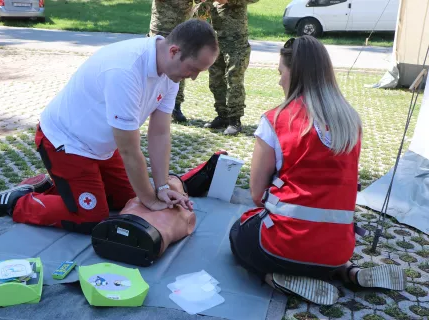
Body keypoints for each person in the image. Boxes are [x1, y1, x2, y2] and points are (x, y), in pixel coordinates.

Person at [0, 19, 219, 234]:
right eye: (194, 69)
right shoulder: (125, 70)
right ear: (174, 51)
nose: (194, 77)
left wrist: (162, 186)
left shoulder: (170, 71)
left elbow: (160, 132)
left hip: (102, 147)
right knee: (92, 217)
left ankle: (55, 186)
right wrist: (150, 198)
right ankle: (18, 202)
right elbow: (129, 150)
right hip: (65, 143)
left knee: (128, 200)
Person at [229, 36, 407, 305]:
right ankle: (348, 270)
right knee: (321, 242)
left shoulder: (276, 119)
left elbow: (256, 194)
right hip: (337, 248)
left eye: (281, 73)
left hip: (282, 247)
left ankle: (273, 277)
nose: (279, 81)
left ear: (295, 74)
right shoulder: (351, 122)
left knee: (237, 236)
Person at [204, 0, 258, 135]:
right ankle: (222, 116)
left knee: (234, 79)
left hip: (236, 41)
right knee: (216, 79)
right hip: (216, 40)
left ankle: (235, 120)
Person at [148, 0, 196, 122]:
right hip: (160, 27)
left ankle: (176, 106)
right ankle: (148, 101)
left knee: (181, 66)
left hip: (182, 29)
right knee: (154, 68)